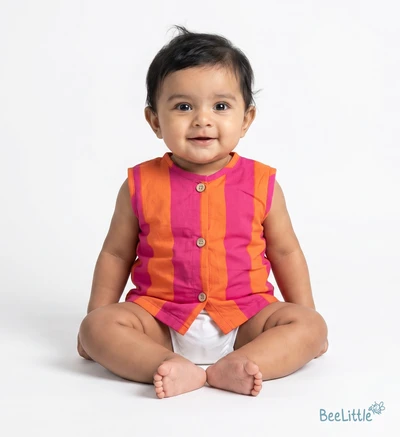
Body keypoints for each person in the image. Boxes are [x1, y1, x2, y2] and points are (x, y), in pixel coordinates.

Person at [77, 25, 328, 399]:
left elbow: (286, 252)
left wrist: (306, 315)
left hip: (246, 320)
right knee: (96, 327)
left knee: (311, 325)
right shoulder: (138, 184)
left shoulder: (263, 183)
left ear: (246, 119)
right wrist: (96, 317)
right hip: (160, 320)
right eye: (183, 106)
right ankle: (165, 364)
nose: (202, 119)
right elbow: (115, 254)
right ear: (155, 121)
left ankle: (242, 363)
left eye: (220, 106)